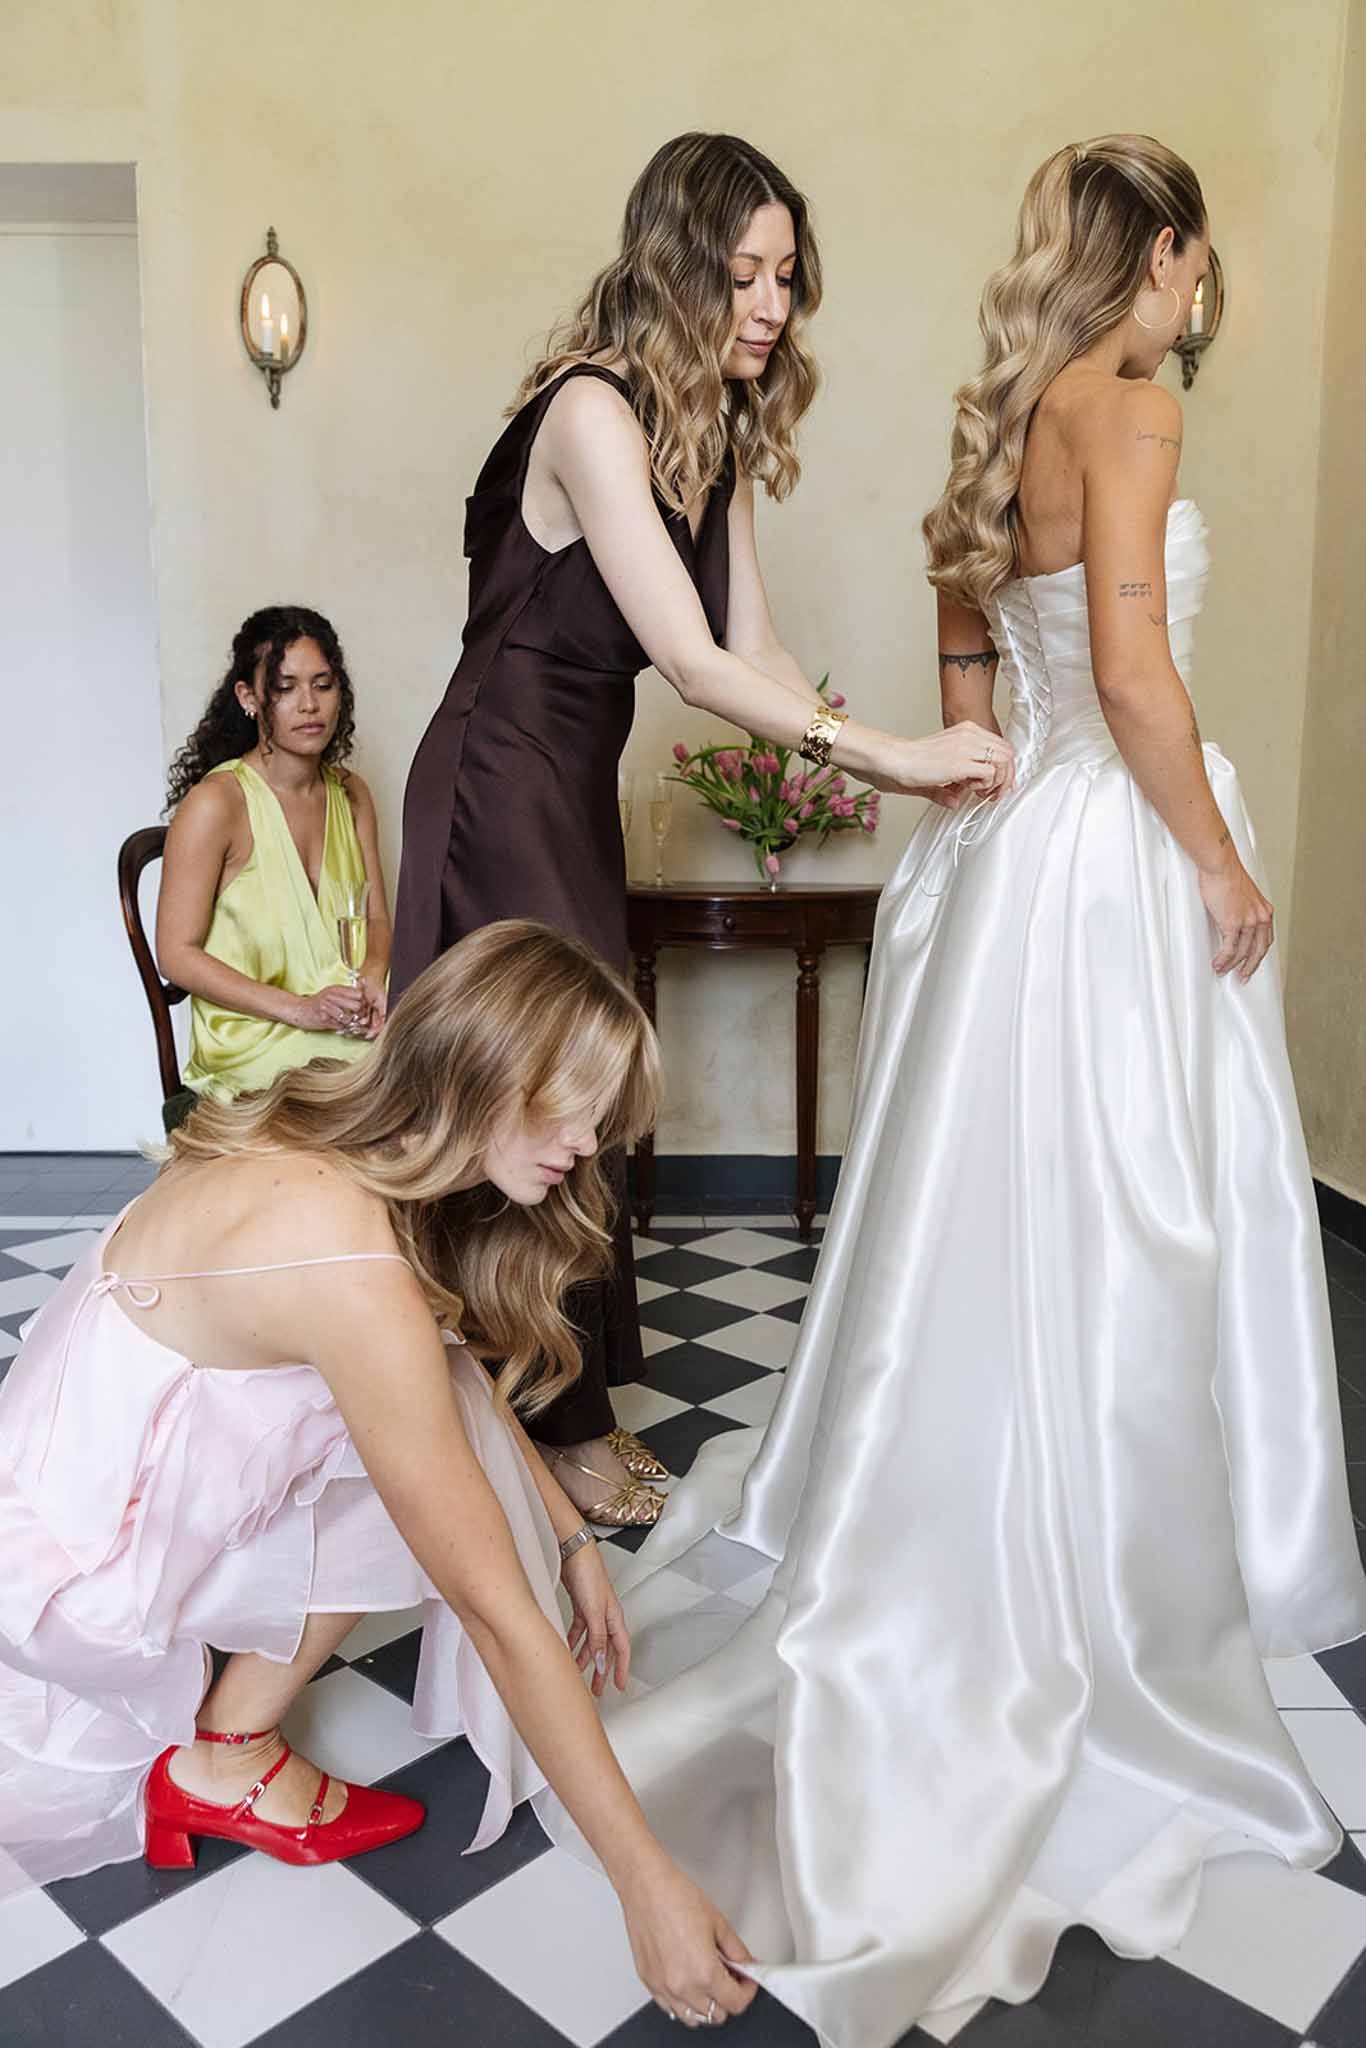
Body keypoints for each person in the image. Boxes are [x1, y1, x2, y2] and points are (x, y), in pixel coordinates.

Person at [535, 136, 1366, 2047]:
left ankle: (991, 1520)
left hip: (1017, 857)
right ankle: (1106, 1570)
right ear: (1158, 252)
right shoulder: (1133, 403)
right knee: (1127, 1210)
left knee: (1002, 1213)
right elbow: (1143, 676)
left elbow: (970, 661)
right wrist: (1222, 869)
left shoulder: (1008, 425)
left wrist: (995, 791)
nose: (1196, 294)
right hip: (1124, 849)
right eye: (1193, 257)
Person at [392, 130, 1010, 1527]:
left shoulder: (707, 428)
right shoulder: (589, 411)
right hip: (496, 769)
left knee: (578, 1093)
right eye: (742, 273)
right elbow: (687, 664)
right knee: (537, 1094)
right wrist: (895, 761)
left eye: (788, 276)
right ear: (674, 266)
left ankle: (526, 1398)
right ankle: (528, 1421)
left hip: (564, 776)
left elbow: (758, 651)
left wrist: (905, 749)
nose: (772, 306)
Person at [0, 922, 758, 2030]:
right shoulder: (346, 1258)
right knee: (438, 1501)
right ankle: (226, 1758)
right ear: (484, 1058)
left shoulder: (330, 1130)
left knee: (432, 1435)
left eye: (604, 1118)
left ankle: (226, 1739)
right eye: (569, 1102)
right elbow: (494, 1609)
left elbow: (448, 1370)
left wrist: (573, 1538)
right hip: (74, 1582)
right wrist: (645, 1880)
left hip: (64, 1500)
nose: (585, 1142)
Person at [157, 606, 390, 1118]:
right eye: (285, 688)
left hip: (340, 1023)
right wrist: (300, 1010)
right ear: (248, 698)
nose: (309, 705)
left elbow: (375, 918)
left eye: (323, 684)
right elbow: (175, 954)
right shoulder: (217, 805)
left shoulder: (352, 795)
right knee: (406, 1081)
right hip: (253, 1040)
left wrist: (373, 980)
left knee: (449, 1053)